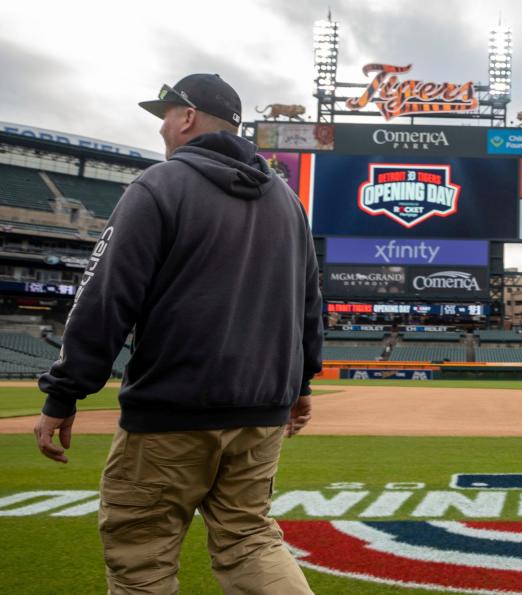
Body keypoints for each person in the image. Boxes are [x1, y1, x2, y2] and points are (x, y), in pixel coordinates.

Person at [33, 73, 323, 594]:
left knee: (141, 557)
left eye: (166, 114)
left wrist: (65, 391)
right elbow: (308, 306)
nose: (163, 126)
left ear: (187, 117)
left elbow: (105, 297)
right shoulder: (288, 202)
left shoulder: (160, 184)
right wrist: (301, 387)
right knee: (250, 540)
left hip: (171, 411)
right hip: (260, 414)